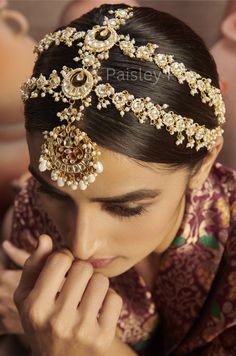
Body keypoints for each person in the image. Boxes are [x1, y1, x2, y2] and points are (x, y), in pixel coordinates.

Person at [0, 3, 236, 356]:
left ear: (204, 163)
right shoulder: (34, 213)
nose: (81, 246)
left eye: (126, 208)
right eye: (56, 193)